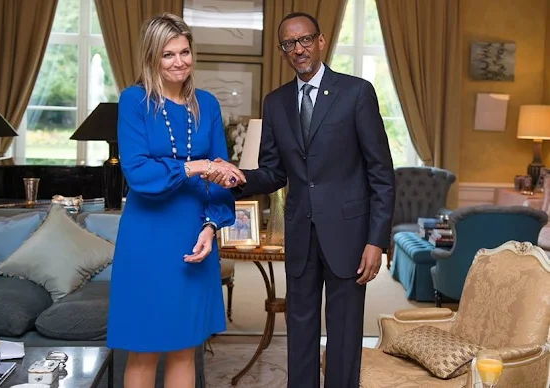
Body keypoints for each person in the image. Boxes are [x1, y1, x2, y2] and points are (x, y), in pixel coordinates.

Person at [207, 12, 395, 388]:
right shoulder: (275, 103)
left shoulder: (356, 92)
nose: (299, 49)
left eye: (305, 40)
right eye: (289, 44)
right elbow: (274, 172)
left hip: (349, 236)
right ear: (283, 51)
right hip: (300, 235)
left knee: (344, 336)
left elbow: (382, 174)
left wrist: (376, 240)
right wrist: (237, 178)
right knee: (300, 333)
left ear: (321, 41)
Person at [106, 13, 245, 388]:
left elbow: (217, 176)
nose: (179, 61)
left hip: (193, 235)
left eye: (185, 52)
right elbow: (137, 173)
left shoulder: (207, 104)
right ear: (152, 57)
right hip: (147, 236)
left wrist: (212, 227)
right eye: (168, 54)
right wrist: (195, 166)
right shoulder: (134, 101)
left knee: (186, 346)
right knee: (145, 346)